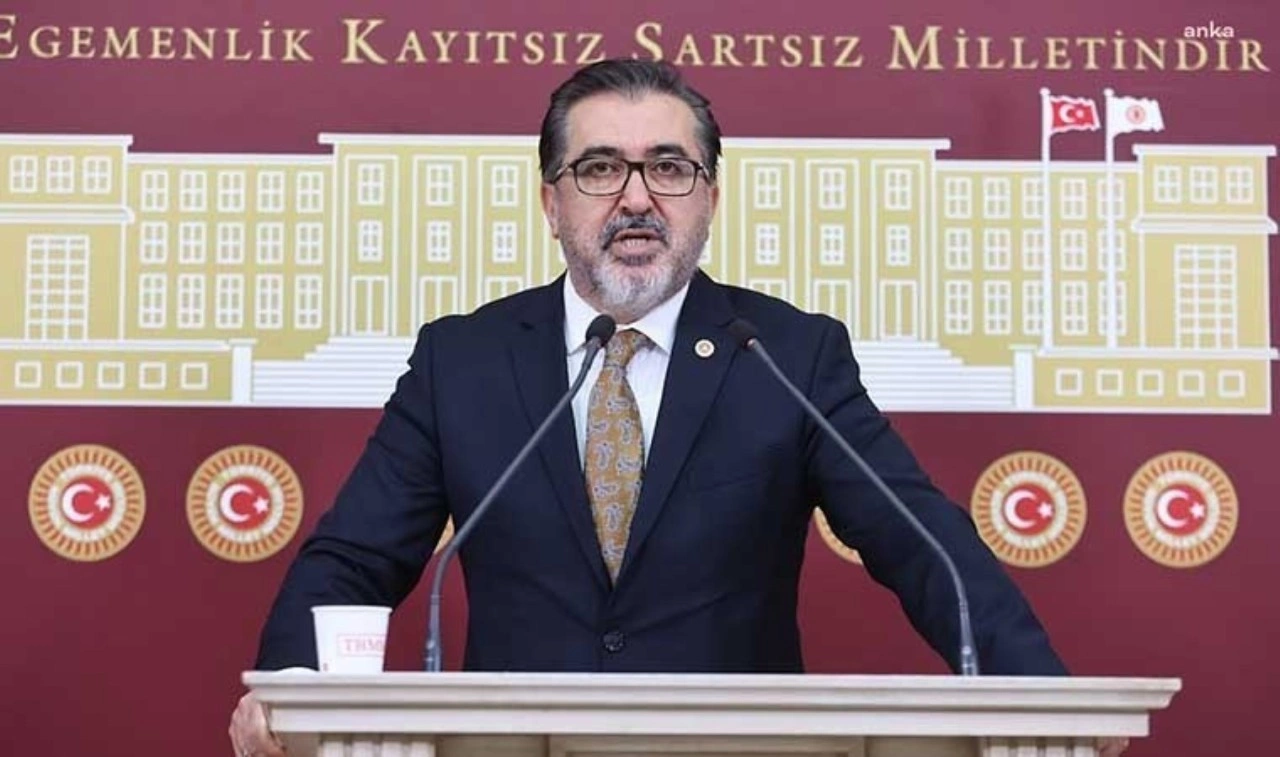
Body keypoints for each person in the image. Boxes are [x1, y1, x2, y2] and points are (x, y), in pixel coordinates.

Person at [230, 59, 1128, 757]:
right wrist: (289, 686)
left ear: (709, 198)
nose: (636, 197)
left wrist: (1040, 698)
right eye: (599, 169)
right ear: (551, 203)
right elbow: (354, 560)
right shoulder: (462, 360)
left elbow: (920, 541)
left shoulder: (788, 354)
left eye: (668, 167)